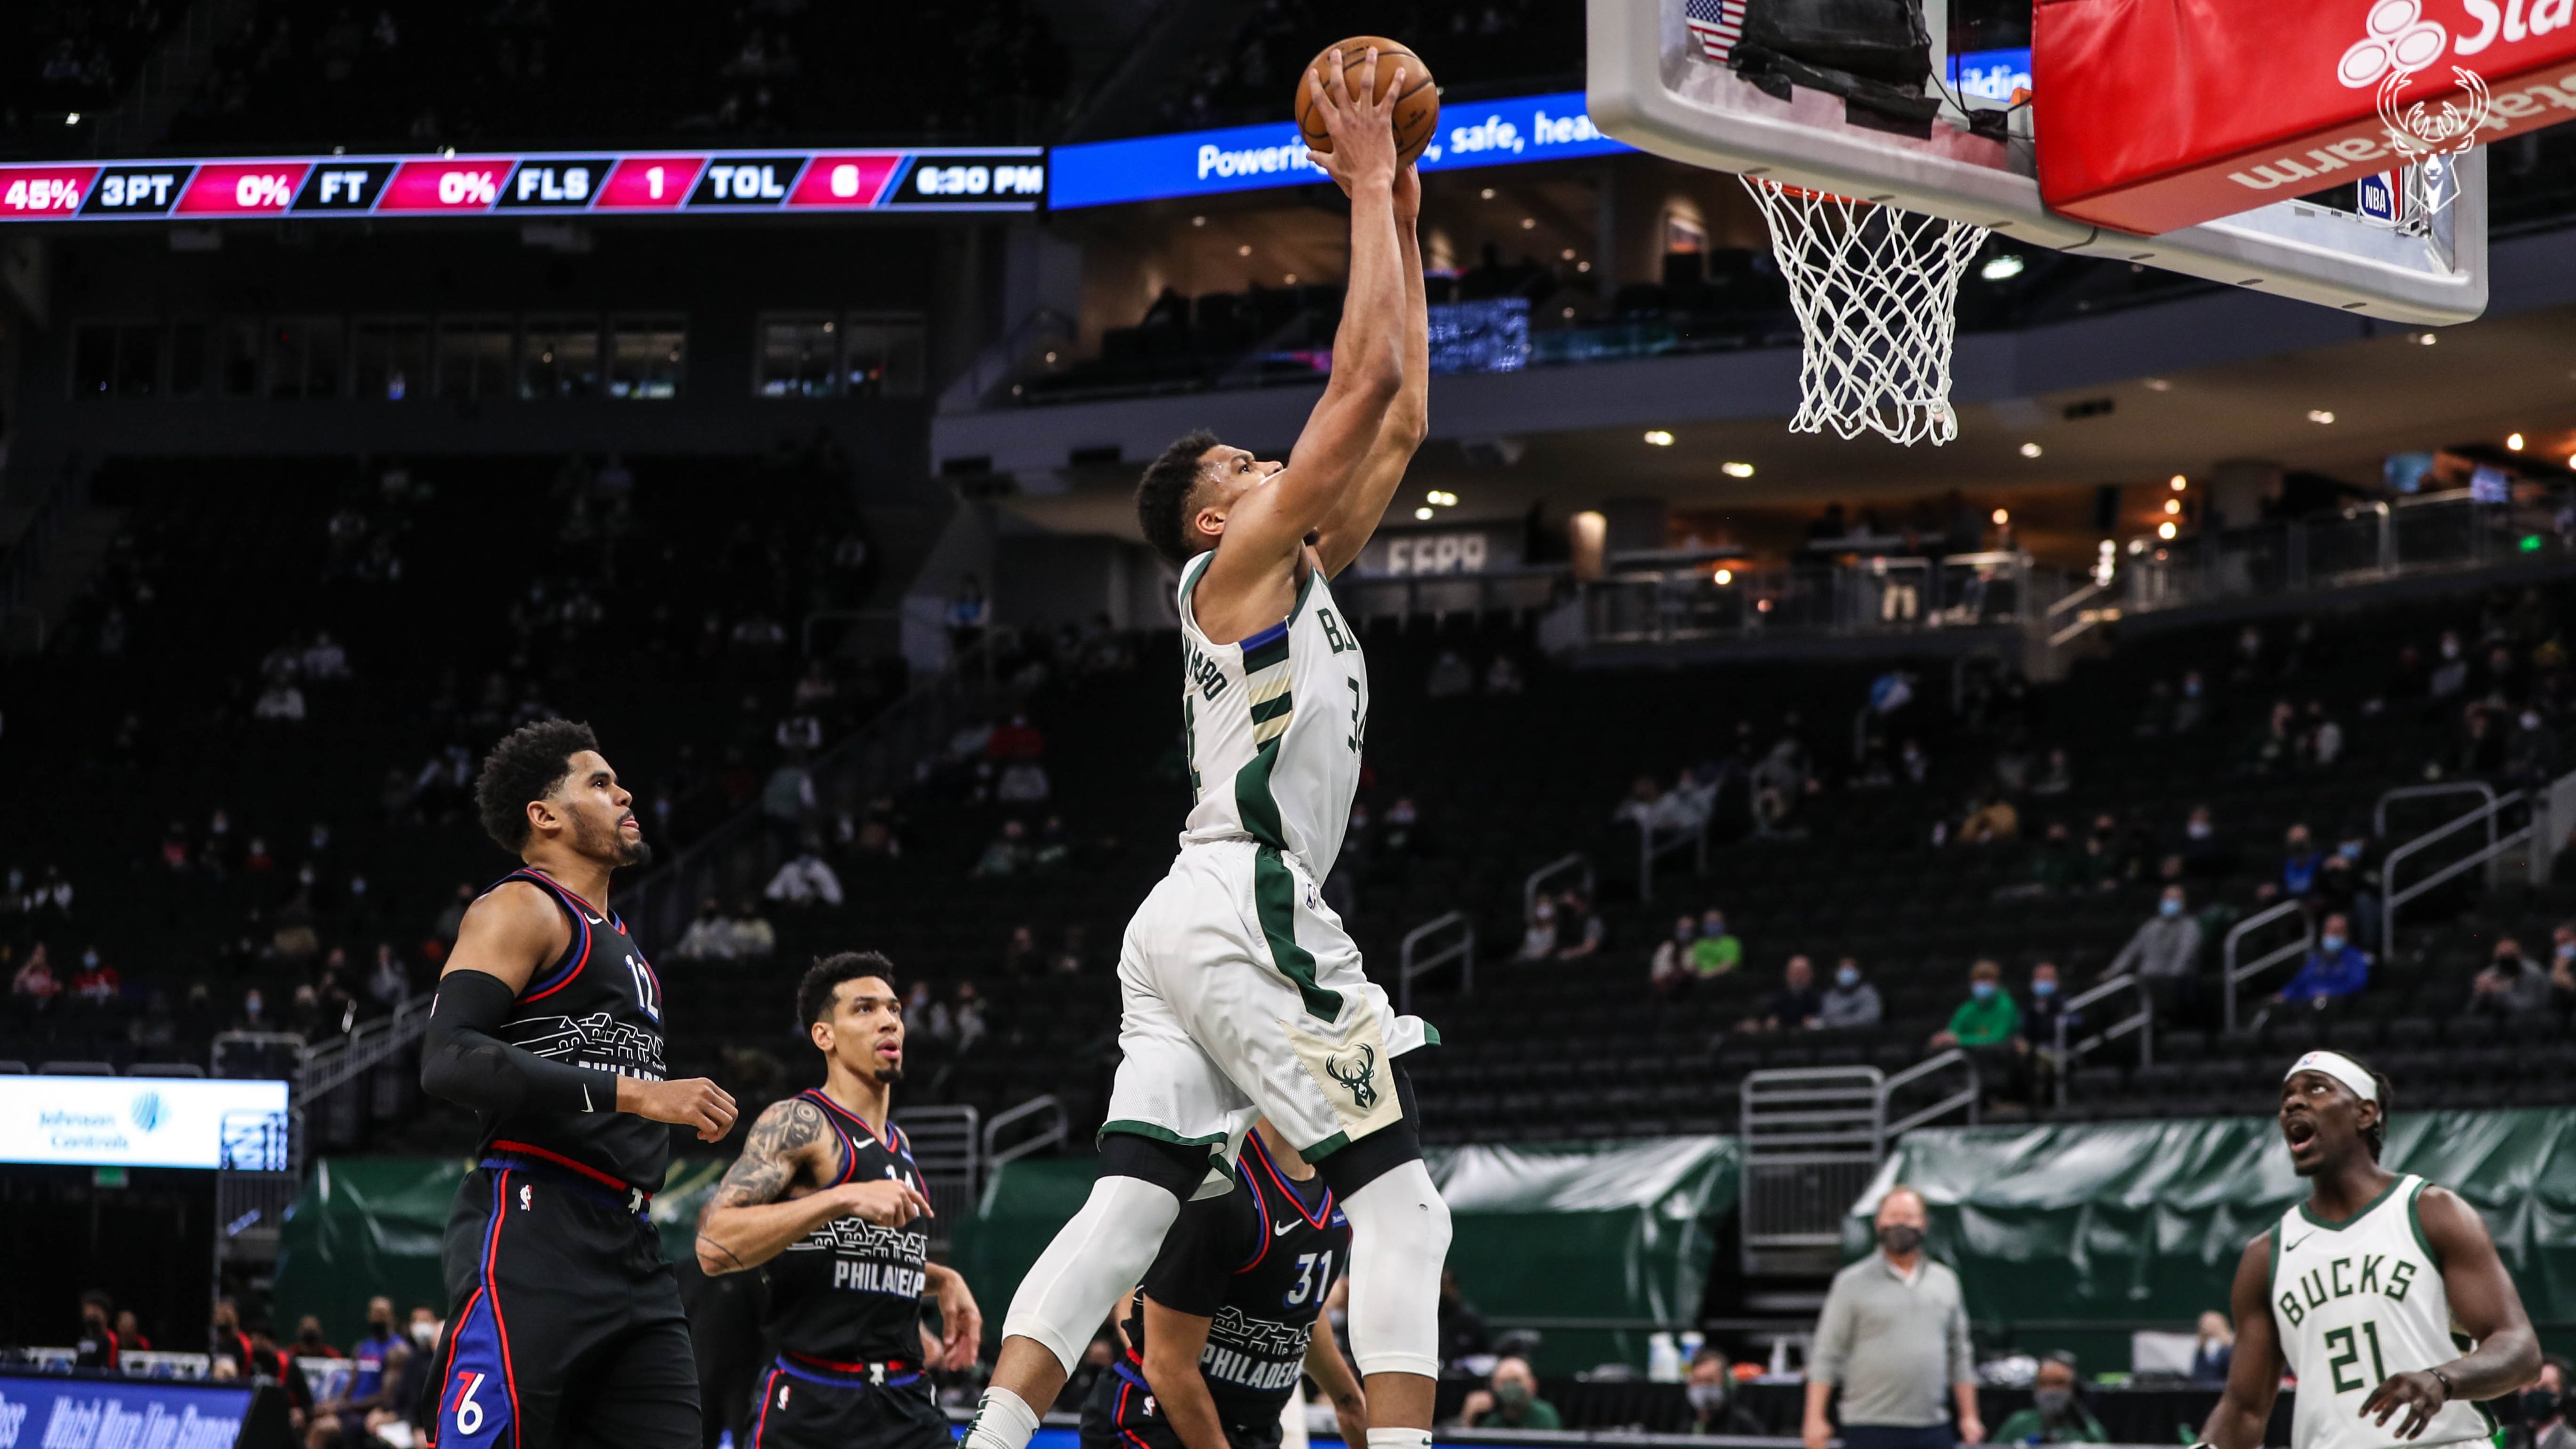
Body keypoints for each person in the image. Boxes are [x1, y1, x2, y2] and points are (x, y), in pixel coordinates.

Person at [965, 58, 1448, 1449]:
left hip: (1182, 915)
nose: (1261, 466)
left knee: (1125, 1207)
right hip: (1245, 899)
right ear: (1204, 523)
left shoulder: (1290, 573)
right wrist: (1362, 180)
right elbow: (1354, 381)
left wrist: (1400, 207)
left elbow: (1402, 415)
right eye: (1242, 464)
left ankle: (989, 1443)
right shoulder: (1229, 574)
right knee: (1405, 1201)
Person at [416, 720, 738, 1449]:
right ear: (545, 815)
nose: (624, 793)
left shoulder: (626, 947)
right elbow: (449, 1059)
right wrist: (637, 1093)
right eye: (599, 782)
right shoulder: (519, 907)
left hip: (632, 1247)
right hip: (535, 1222)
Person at [695, 953, 982, 1449]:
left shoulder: (901, 1144)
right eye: (865, 1010)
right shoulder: (799, 1123)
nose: (889, 1020)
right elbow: (714, 1245)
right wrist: (841, 1197)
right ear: (824, 1035)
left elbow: (852, 1253)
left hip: (906, 1398)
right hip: (815, 1400)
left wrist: (943, 1279)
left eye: (893, 1009)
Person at [2193, 1050, 2540, 1449]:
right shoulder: (2265, 1256)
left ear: (2365, 1113)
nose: (2294, 1102)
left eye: (2317, 1088)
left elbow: (2521, 1352)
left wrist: (2443, 1379)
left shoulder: (2431, 1212)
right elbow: (2243, 1410)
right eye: (2287, 1095)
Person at [1078, 1119, 1368, 1449]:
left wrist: (1349, 1401)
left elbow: (1293, 1313)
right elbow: (1167, 1367)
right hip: (1155, 1420)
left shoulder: (1338, 1187)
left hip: (1254, 1429)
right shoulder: (1221, 1184)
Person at [1804, 1186, 1982, 1449]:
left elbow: (1960, 1353)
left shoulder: (1946, 1281)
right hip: (1869, 1425)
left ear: (1923, 1223)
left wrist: (1969, 1417)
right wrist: (1814, 1418)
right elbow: (1827, 1352)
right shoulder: (1851, 1282)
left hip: (1932, 1425)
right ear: (1878, 1223)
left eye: (1909, 1216)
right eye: (1893, 1215)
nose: (1901, 1223)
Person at [309, 1297, 410, 1449]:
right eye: (375, 1314)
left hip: (372, 1413)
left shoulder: (397, 1351)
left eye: (382, 1314)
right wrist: (335, 1405)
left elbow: (386, 1396)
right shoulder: (362, 1348)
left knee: (322, 1429)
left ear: (391, 1317)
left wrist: (343, 1407)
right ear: (369, 1316)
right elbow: (351, 1385)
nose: (378, 1318)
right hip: (352, 1409)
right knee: (314, 1415)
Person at [1992, 1353, 2104, 1444]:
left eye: (2059, 1383)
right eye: (2043, 1383)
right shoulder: (2018, 1423)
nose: (2051, 1391)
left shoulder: (2088, 1431)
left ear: (2074, 1388)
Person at [2275, 915, 2370, 1010]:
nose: (2331, 935)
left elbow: (2357, 984)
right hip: (2306, 1007)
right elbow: (2300, 981)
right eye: (2328, 931)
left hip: (2336, 1008)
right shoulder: (2318, 958)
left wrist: (2329, 993)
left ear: (2346, 936)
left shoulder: (2353, 957)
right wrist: (2283, 994)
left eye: (2336, 932)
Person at [1931, 962, 2019, 1050]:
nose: (1982, 984)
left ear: (1996, 982)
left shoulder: (2006, 1006)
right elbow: (1952, 1034)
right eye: (1979, 980)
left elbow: (1999, 1037)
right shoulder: (1967, 1008)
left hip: (1996, 1054)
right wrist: (1944, 1039)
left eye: (1987, 979)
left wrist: (1961, 1040)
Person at [1458, 1358, 1559, 1431]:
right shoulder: (1492, 1420)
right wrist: (1468, 1418)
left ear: (1533, 1384)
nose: (1510, 1387)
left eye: (1516, 1380)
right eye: (1503, 1382)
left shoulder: (1544, 1416)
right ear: (1493, 1386)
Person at [1686, 1350, 1765, 1436]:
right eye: (1698, 1381)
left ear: (1727, 1384)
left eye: (1709, 1381)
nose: (1703, 1387)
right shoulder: (1685, 1425)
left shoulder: (1745, 1425)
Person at [2469, 938, 2551, 1019]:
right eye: (2503, 956)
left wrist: (2501, 992)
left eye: (2510, 955)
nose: (2507, 960)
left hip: (2532, 1017)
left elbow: (2532, 1005)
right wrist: (2483, 994)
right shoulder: (2489, 974)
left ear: (2519, 954)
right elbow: (2472, 1010)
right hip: (2498, 1020)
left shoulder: (2533, 972)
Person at [1742, 956, 1824, 1032]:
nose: (1798, 977)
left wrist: (1815, 1024)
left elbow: (1830, 1021)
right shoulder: (1775, 999)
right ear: (1787, 974)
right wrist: (1763, 1025)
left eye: (1802, 973)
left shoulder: (1821, 999)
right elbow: (1755, 1022)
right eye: (1795, 973)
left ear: (1811, 975)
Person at [2512, 1358, 2571, 1449]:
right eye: (2531, 1388)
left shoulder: (2570, 1444)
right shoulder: (2509, 1439)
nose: (2536, 1395)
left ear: (2562, 1393)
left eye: (2545, 1388)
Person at [1821, 959, 1884, 1029]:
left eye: (1849, 969)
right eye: (1843, 969)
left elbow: (1870, 1017)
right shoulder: (1830, 995)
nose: (1846, 973)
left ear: (1858, 972)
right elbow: (1828, 1018)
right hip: (1836, 1036)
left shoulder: (1869, 992)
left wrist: (1842, 1023)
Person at [2190, 1311, 2235, 1385]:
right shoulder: (2205, 1349)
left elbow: (2230, 1369)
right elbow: (2199, 1374)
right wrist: (2202, 1346)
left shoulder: (2230, 1348)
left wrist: (2224, 1339)